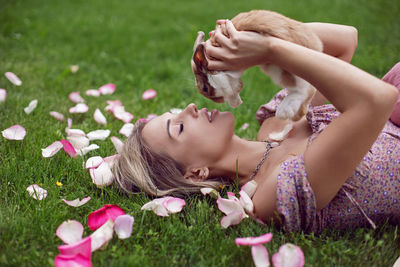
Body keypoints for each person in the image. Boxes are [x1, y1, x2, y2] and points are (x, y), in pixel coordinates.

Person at [113, 18, 400, 233]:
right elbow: (377, 100)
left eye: (176, 113)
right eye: (178, 128)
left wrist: (242, 36)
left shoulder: (275, 123)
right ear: (195, 174)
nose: (189, 109)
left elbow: (343, 42)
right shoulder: (272, 195)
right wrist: (270, 51)